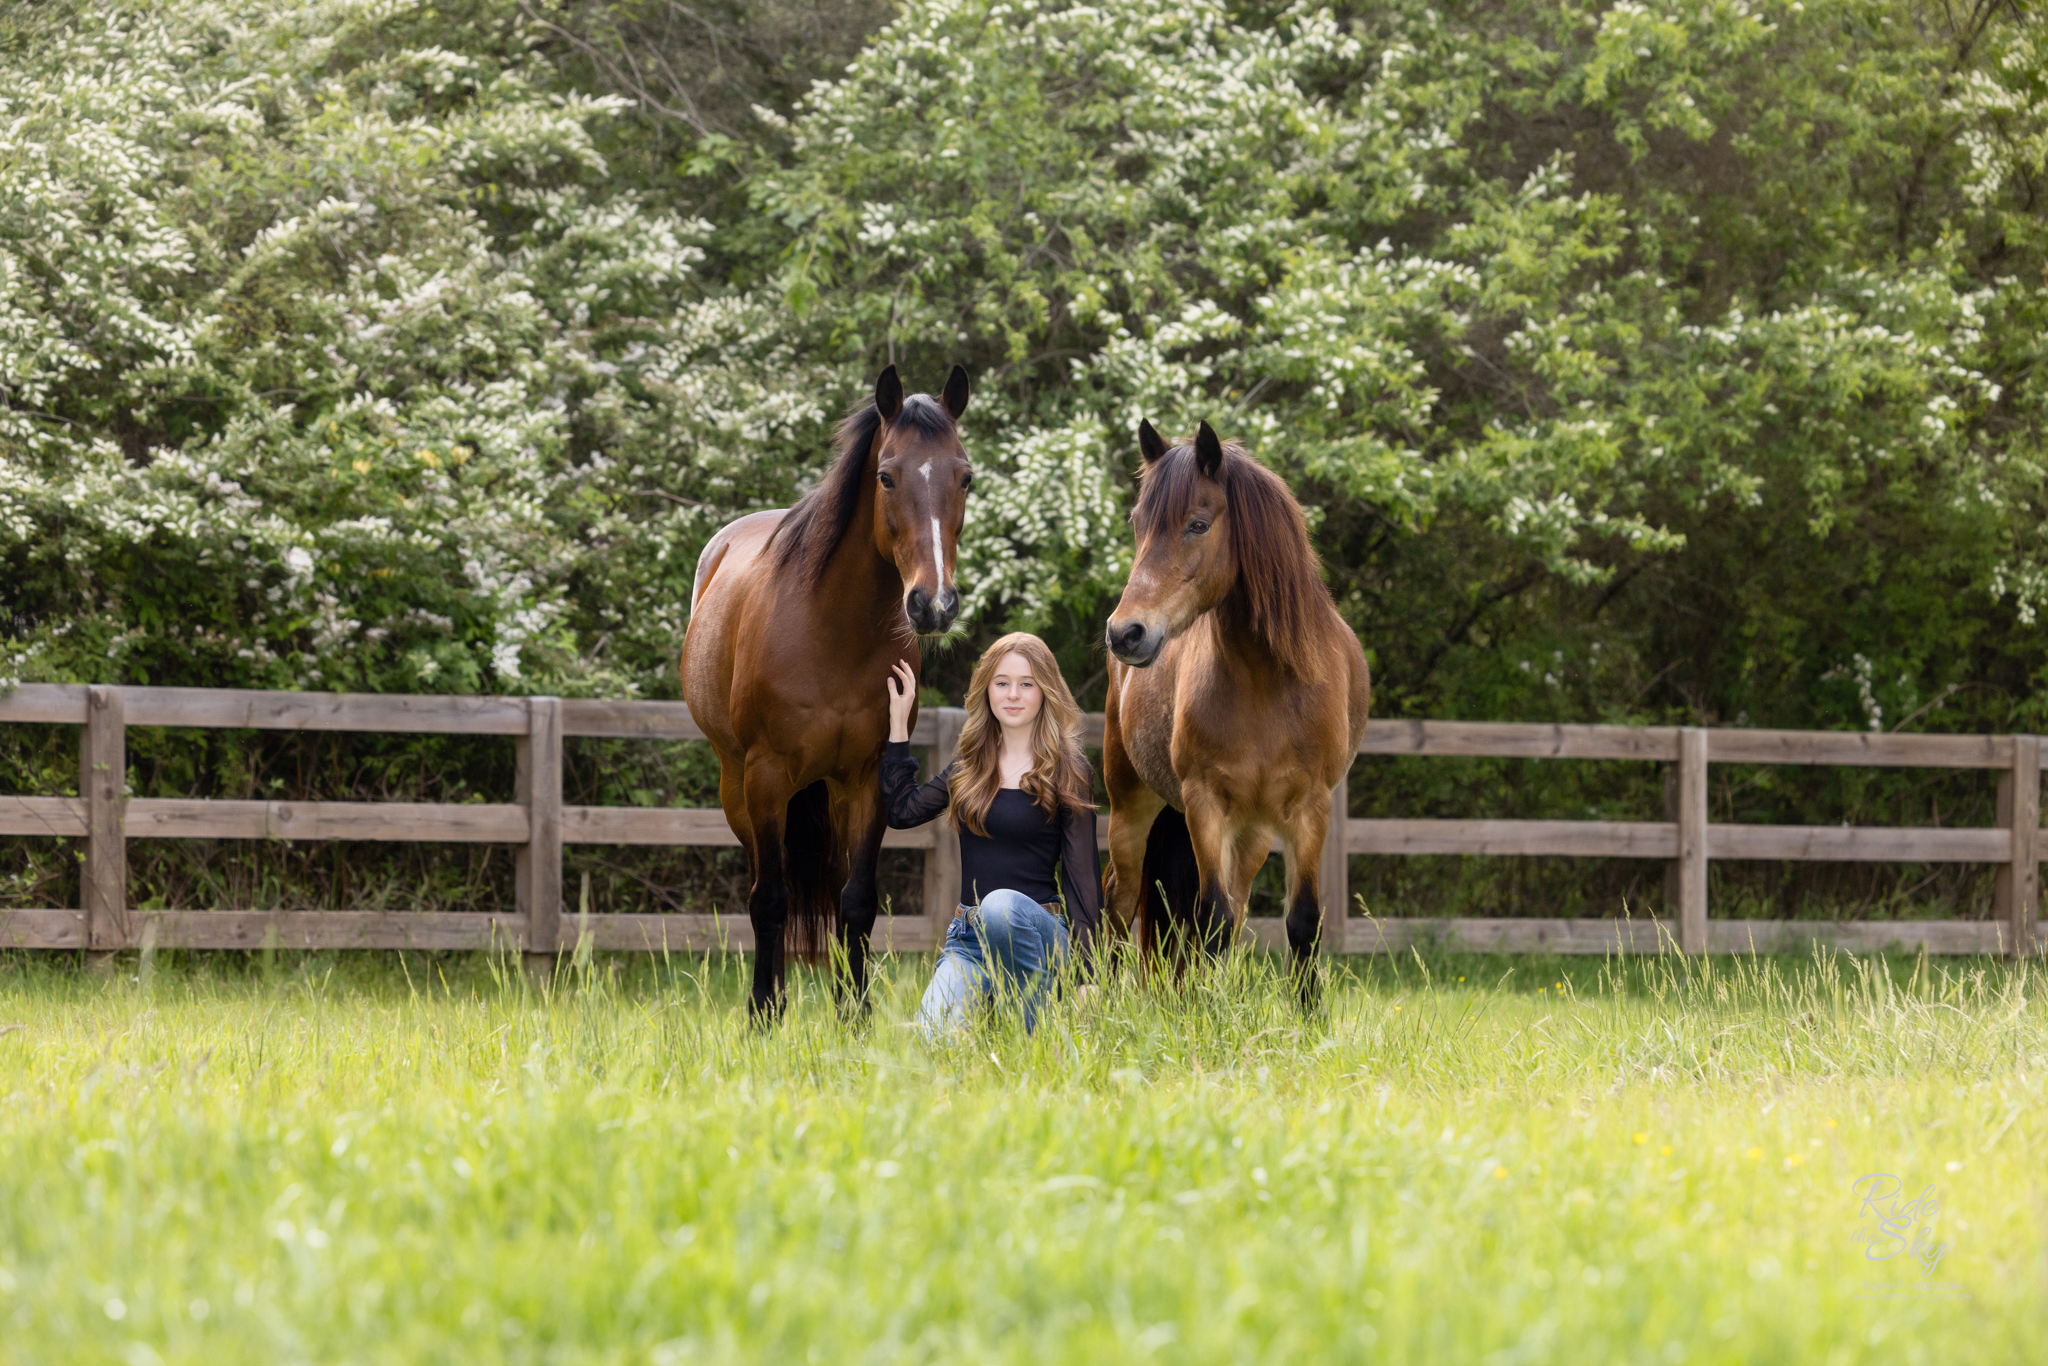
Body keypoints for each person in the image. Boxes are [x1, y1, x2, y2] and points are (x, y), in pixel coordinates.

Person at [882, 632, 1101, 1036]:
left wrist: (1088, 976)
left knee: (1000, 905)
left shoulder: (1070, 771)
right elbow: (901, 812)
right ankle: (986, 1017)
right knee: (933, 1040)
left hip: (1038, 936)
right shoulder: (970, 767)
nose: (1013, 694)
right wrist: (899, 723)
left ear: (1044, 691)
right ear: (987, 691)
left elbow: (1082, 882)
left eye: (1026, 683)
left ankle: (1031, 1037)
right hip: (970, 939)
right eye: (1002, 683)